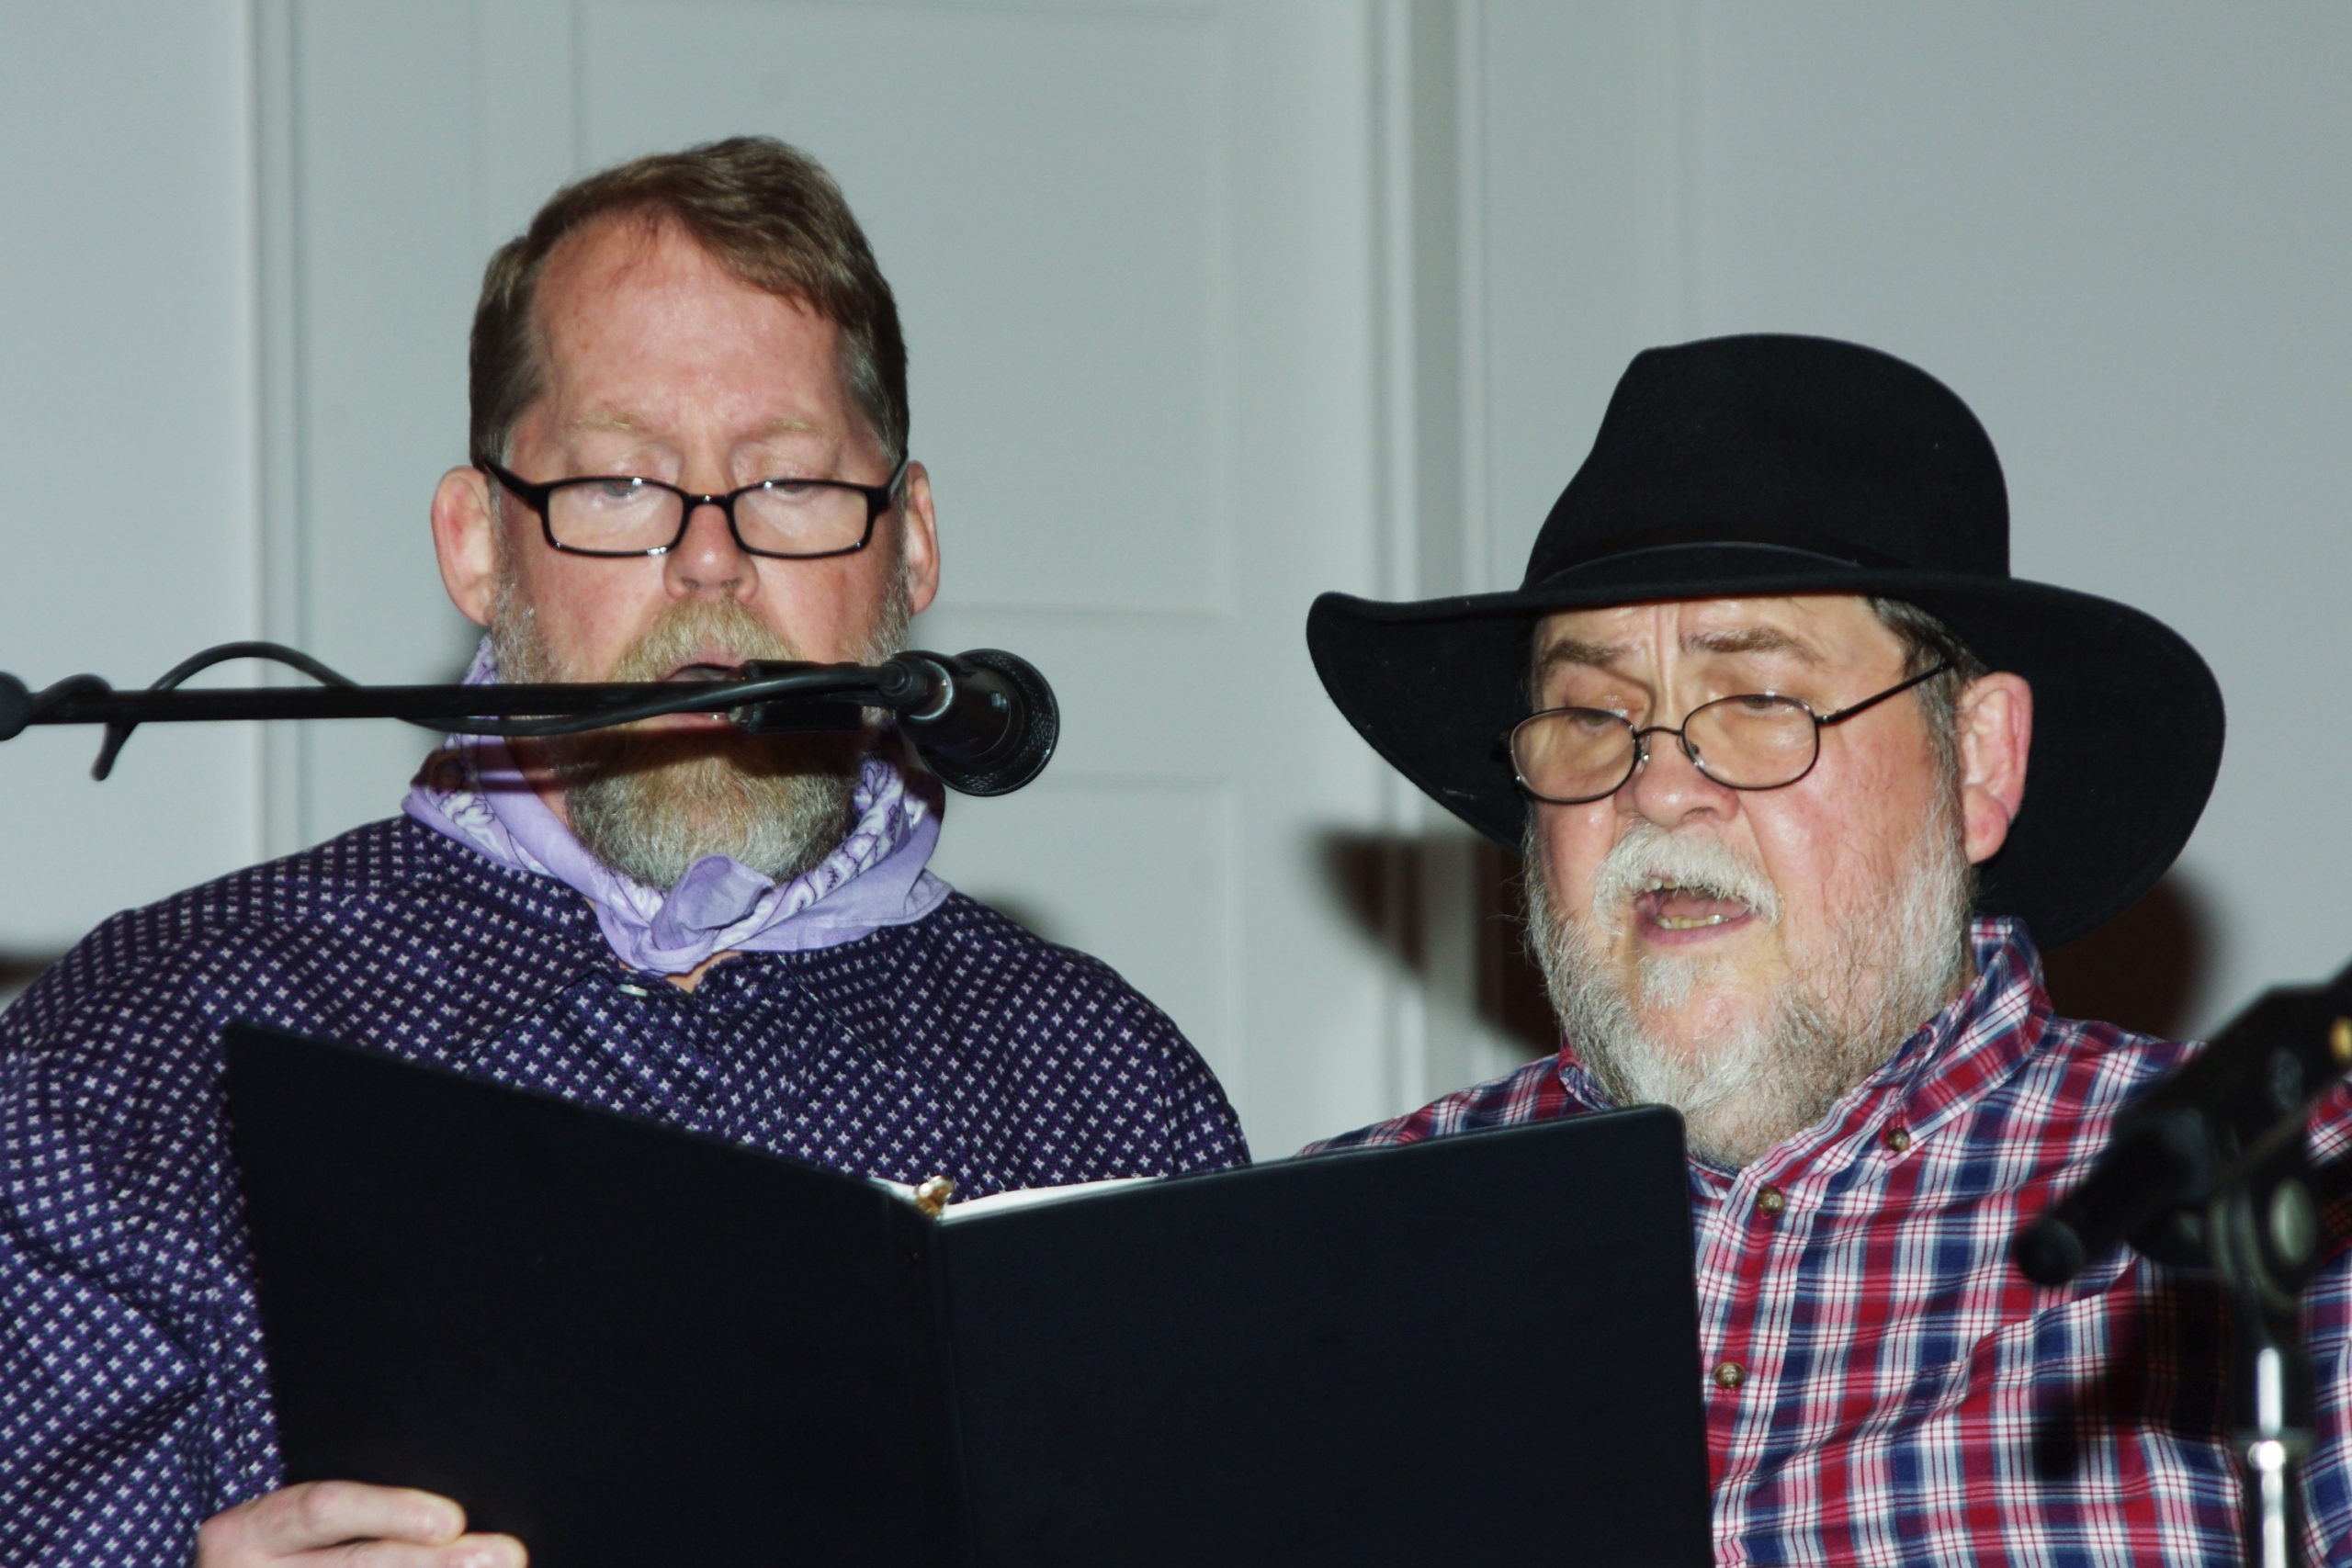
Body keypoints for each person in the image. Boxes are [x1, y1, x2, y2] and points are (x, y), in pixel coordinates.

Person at [0, 138, 1245, 1568]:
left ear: (909, 545)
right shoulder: (144, 1047)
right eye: (618, 484)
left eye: (787, 481)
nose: (710, 560)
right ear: (478, 545)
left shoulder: (1103, 1088)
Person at [1303, 333, 2352, 1563]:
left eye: (1758, 702)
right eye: (1589, 715)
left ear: (1978, 760)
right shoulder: (1334, 1251)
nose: (1660, 790)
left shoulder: (2278, 1205)